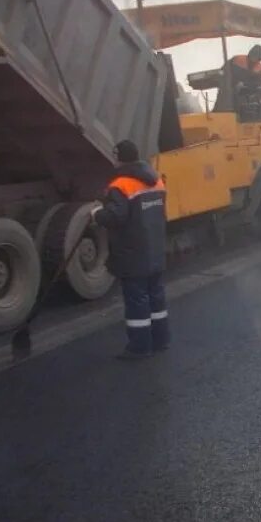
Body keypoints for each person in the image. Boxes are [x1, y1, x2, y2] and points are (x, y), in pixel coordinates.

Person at [91, 140, 169, 361]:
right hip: (154, 249)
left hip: (134, 253)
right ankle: (161, 340)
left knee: (137, 301)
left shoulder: (121, 184)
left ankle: (140, 347)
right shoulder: (156, 180)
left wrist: (97, 214)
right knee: (156, 298)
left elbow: (116, 216)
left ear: (119, 158)